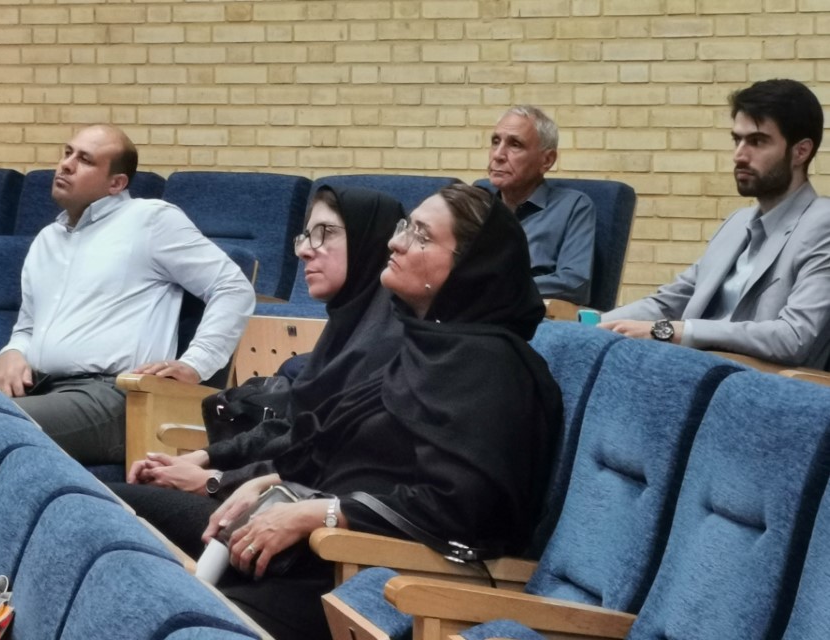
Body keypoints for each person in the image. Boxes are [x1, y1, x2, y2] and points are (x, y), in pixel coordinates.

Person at [191, 184, 561, 640]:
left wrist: (320, 514)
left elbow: (460, 508)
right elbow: (330, 443)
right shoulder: (428, 345)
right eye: (406, 226)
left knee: (181, 614)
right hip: (319, 551)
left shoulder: (490, 366)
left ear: (468, 266)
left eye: (421, 235)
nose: (396, 242)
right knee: (135, 538)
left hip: (382, 578)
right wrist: (269, 483)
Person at [117, 185, 406, 515]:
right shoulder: (348, 328)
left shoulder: (387, 344)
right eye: (305, 236)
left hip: (315, 524)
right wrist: (201, 458)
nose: (305, 251)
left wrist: (214, 480)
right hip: (279, 504)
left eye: (324, 233)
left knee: (120, 505)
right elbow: (291, 427)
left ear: (370, 239)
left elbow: (326, 459)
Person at [0, 124, 256, 465]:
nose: (66, 164)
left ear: (116, 184)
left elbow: (233, 287)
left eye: (85, 160)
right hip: (41, 388)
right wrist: (12, 351)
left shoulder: (150, 221)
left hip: (113, 399)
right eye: (68, 152)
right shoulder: (47, 239)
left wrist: (196, 363)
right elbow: (28, 327)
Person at [600, 79, 830, 369]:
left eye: (757, 142)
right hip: (691, 371)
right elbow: (668, 302)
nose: (739, 155)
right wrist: (589, 324)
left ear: (801, 152)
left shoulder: (822, 225)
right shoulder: (736, 223)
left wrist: (676, 332)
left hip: (758, 385)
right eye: (737, 140)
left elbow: (793, 337)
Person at [488, 105, 597, 305]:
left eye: (515, 144)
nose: (498, 155)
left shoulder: (573, 207)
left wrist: (500, 288)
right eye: (496, 142)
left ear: (546, 160)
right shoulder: (477, 203)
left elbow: (575, 284)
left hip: (523, 313)